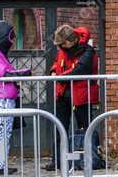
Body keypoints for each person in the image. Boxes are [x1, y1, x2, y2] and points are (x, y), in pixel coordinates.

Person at [47, 25, 102, 171]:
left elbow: (80, 69)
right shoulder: (63, 51)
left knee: (86, 128)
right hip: (63, 95)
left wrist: (60, 78)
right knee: (60, 127)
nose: (60, 47)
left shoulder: (88, 51)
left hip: (81, 96)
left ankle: (90, 159)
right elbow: (56, 62)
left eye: (62, 44)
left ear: (70, 41)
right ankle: (57, 160)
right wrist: (53, 71)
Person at [0, 21, 30, 174]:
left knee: (4, 133)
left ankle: (0, 164)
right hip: (0, 100)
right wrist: (24, 72)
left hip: (6, 99)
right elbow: (4, 74)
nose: (13, 41)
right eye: (11, 37)